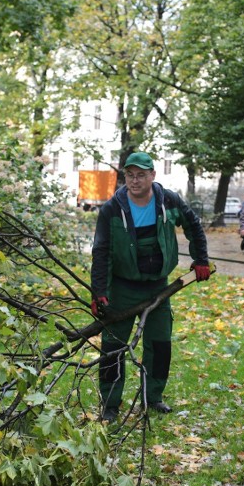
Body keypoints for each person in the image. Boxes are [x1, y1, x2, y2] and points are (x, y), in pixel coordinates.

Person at [90, 151, 211, 422]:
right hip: (122, 290)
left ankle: (152, 397)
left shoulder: (168, 200)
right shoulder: (112, 209)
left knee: (159, 344)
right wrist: (99, 292)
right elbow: (101, 252)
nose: (135, 180)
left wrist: (200, 259)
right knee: (113, 347)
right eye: (130, 175)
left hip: (158, 287)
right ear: (125, 177)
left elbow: (193, 224)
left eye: (141, 175)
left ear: (152, 175)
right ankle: (110, 405)